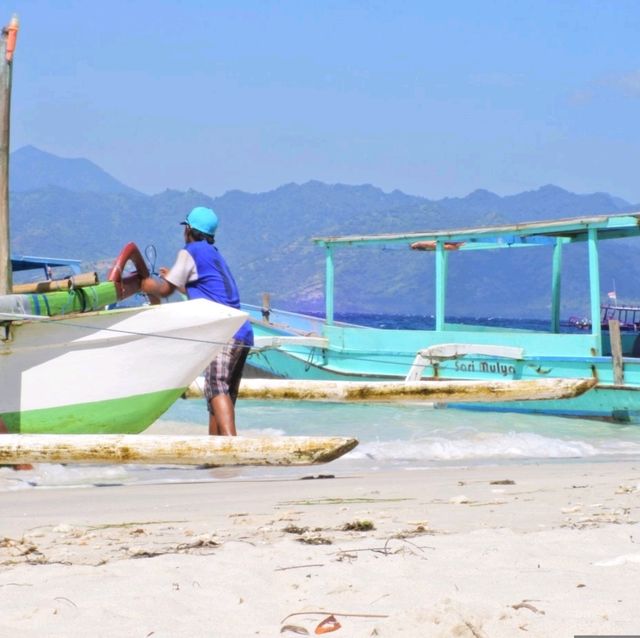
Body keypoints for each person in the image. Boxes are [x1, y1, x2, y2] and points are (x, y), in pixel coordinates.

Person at [141, 206, 254, 436]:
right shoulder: (214, 253)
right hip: (242, 331)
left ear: (189, 230)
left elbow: (163, 291)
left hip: (223, 332)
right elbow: (204, 288)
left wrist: (145, 284)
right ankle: (216, 457)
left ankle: (234, 446)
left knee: (215, 390)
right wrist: (170, 278)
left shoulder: (190, 251)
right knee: (221, 397)